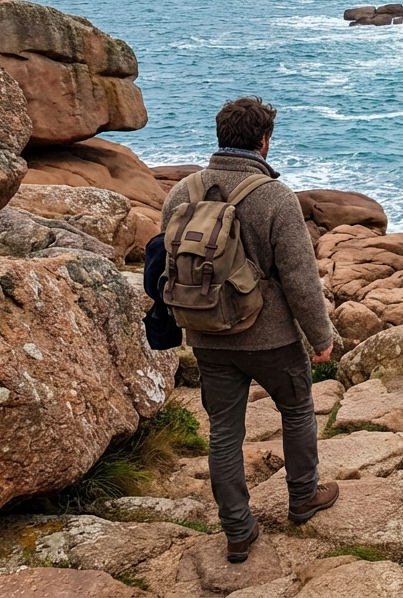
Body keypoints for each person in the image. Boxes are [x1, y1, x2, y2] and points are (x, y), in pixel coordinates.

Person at [159, 97, 340, 563]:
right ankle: (303, 497)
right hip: (271, 337)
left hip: (206, 332)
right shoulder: (275, 196)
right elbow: (300, 278)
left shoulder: (182, 192)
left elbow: (168, 264)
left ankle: (237, 530)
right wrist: (321, 338)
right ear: (264, 140)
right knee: (297, 411)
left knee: (224, 432)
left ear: (221, 136)